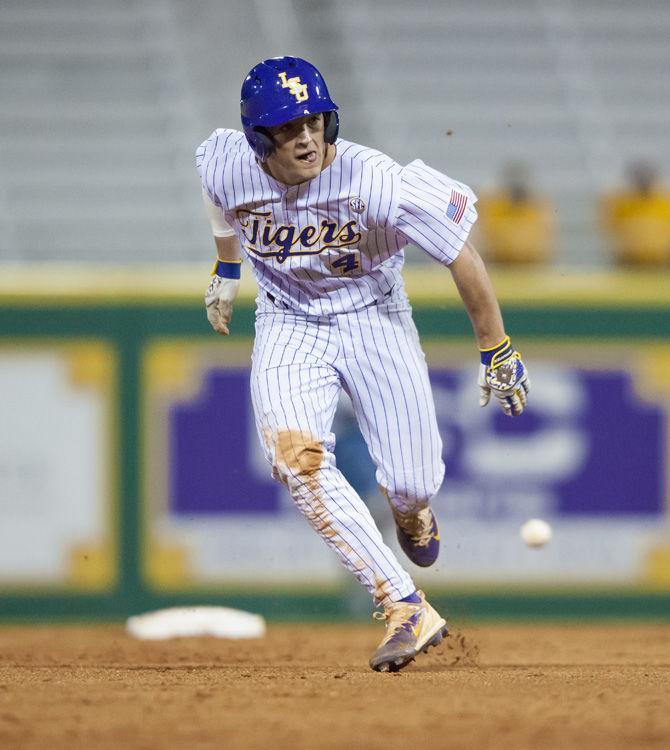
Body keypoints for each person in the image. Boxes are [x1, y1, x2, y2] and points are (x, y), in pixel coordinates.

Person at [195, 56, 530, 672]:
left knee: (411, 481)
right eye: (288, 128)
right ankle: (403, 603)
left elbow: (460, 254)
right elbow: (218, 195)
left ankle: (412, 511)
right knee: (294, 460)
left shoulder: (376, 180)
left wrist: (496, 346)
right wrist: (228, 263)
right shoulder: (226, 162)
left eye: (315, 121)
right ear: (256, 138)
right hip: (287, 320)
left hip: (374, 317)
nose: (306, 137)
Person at [475, 161, 555, 265]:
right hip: (498, 264)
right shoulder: (495, 206)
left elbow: (543, 244)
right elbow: (486, 239)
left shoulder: (537, 207)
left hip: (530, 266)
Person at [599, 160, 670, 266]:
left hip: (662, 258)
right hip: (628, 258)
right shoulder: (621, 201)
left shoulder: (664, 201)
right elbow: (608, 225)